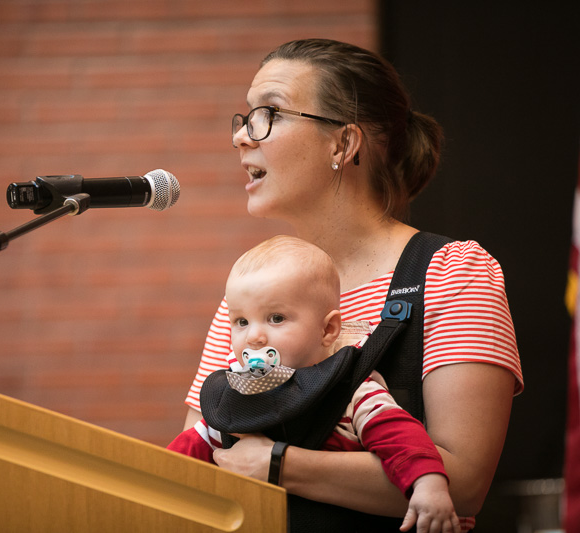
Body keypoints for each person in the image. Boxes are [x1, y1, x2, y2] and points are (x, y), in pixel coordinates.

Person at [182, 39, 523, 532]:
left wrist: (279, 465)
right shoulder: (246, 301)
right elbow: (195, 466)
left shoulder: (451, 270)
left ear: (343, 144)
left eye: (269, 113)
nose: (242, 137)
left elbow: (464, 484)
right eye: (245, 118)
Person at [169, 235, 461, 532]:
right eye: (241, 322)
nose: (254, 336)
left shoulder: (353, 390)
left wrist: (428, 485)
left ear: (328, 329)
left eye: (276, 318)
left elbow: (401, 438)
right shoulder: (238, 395)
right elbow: (184, 456)